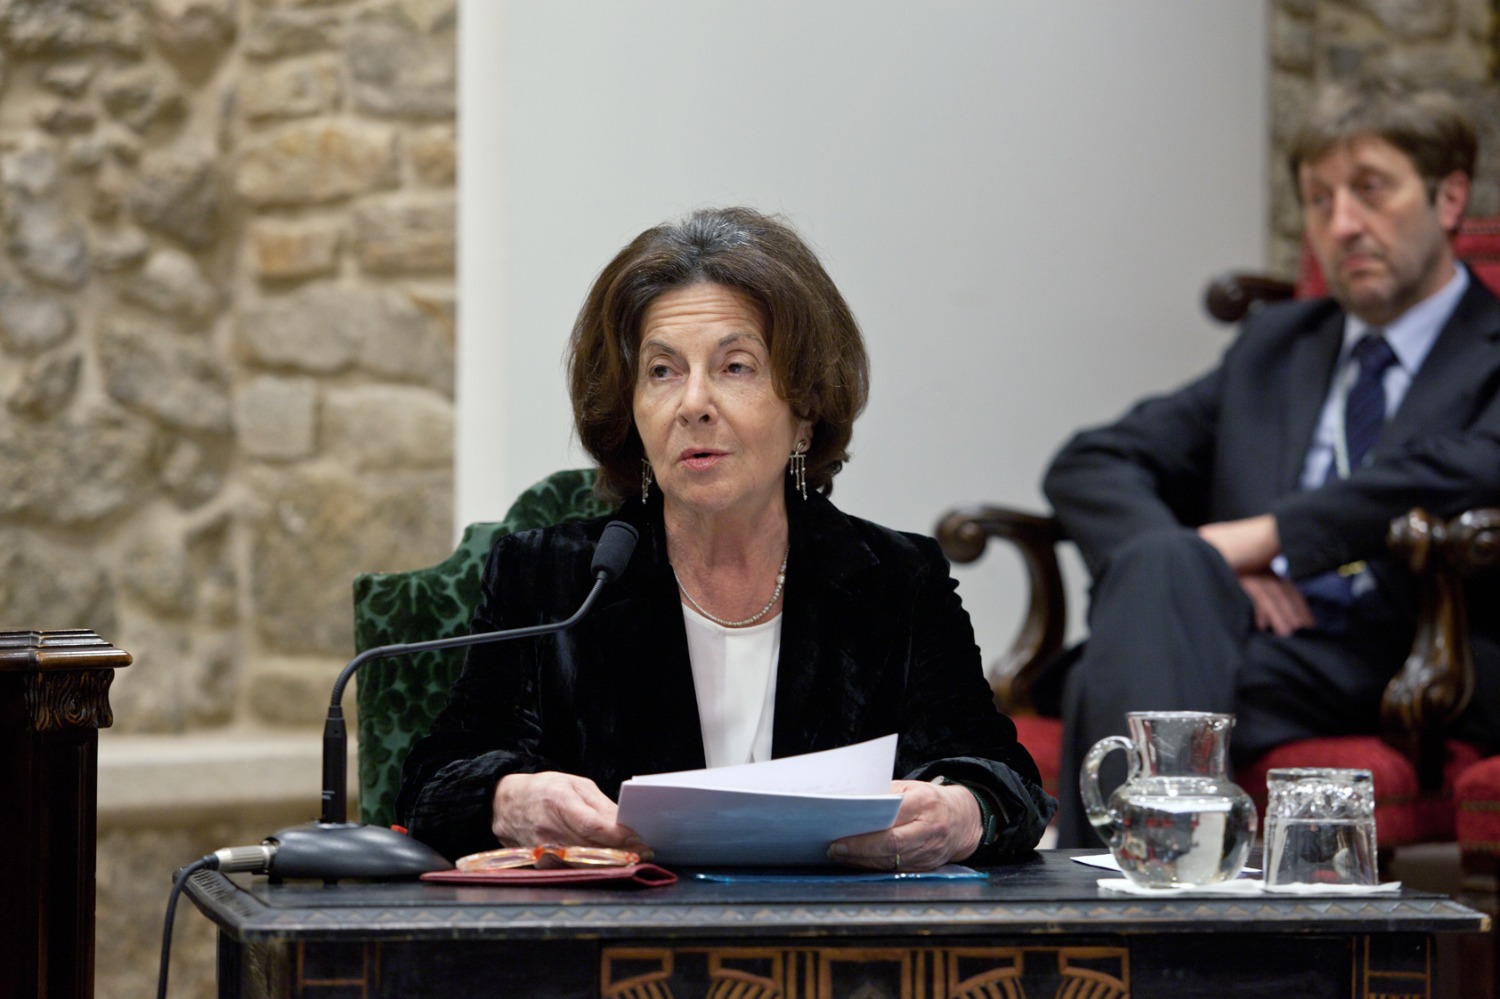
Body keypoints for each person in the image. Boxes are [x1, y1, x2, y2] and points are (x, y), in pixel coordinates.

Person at [398, 206, 1055, 868]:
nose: (693, 403)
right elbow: (432, 783)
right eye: (662, 371)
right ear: (631, 410)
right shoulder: (550, 578)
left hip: (836, 930)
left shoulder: (896, 579)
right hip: (620, 928)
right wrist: (507, 798)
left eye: (735, 366)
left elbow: (1006, 783)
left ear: (806, 408)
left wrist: (960, 814)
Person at [1044, 76, 1500, 848]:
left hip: (1407, 650)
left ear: (1449, 198)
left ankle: (1124, 892)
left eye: (1370, 189)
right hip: (1257, 643)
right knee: (1166, 565)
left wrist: (1269, 536)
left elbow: (1473, 465)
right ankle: (1158, 888)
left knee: (1107, 677)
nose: (1342, 224)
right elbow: (1091, 461)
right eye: (1319, 199)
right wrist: (1212, 563)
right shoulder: (1278, 345)